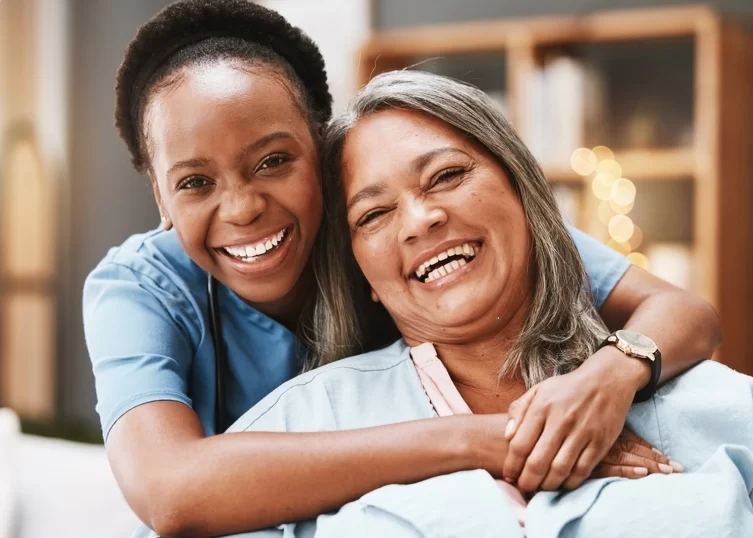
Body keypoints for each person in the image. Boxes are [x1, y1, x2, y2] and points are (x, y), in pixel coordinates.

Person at [84, 1, 720, 536]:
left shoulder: (419, 224)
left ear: (321, 148)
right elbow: (169, 489)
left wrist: (609, 376)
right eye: (194, 182)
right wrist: (488, 441)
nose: (245, 207)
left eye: (274, 162)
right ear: (161, 200)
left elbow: (682, 311)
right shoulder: (141, 289)